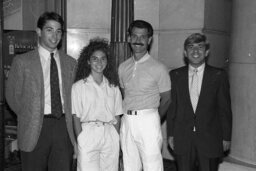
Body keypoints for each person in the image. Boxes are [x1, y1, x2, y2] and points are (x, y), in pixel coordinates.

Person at [5, 12, 77, 171]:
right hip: (34, 127)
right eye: (49, 30)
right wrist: (30, 113)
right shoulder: (22, 61)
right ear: (39, 31)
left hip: (63, 128)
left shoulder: (71, 63)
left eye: (59, 31)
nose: (55, 35)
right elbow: (12, 96)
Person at [167, 33, 232, 171]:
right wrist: (171, 134)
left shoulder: (218, 75)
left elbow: (224, 109)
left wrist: (226, 137)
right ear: (185, 52)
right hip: (183, 137)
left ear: (206, 52)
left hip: (210, 139)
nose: (195, 51)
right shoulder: (175, 75)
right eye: (191, 47)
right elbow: (173, 107)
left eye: (200, 47)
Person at [118, 20, 171, 171]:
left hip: (148, 120)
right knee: (129, 164)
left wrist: (153, 118)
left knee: (152, 165)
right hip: (127, 120)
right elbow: (125, 95)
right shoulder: (123, 67)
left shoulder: (159, 68)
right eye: (134, 36)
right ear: (129, 38)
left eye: (143, 37)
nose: (138, 40)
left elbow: (167, 99)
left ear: (149, 40)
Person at [72, 38, 123, 171]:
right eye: (95, 59)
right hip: (88, 133)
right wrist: (80, 138)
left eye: (103, 58)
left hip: (109, 133)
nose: (99, 62)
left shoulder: (113, 87)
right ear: (88, 61)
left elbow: (117, 116)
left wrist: (115, 137)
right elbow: (76, 116)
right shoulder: (79, 87)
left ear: (107, 61)